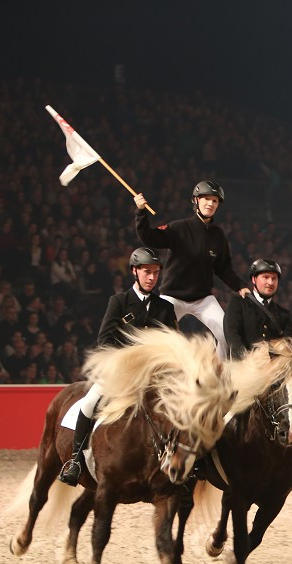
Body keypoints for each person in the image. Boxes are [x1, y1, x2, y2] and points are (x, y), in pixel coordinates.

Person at [58, 247, 179, 486]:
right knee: (90, 402)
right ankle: (75, 461)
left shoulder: (165, 308)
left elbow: (174, 344)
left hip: (153, 377)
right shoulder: (119, 302)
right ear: (135, 271)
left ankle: (184, 465)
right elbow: (105, 340)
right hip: (121, 373)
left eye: (155, 272)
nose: (152, 277)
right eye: (147, 272)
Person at [223, 258, 292, 487]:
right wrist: (251, 364)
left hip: (273, 379)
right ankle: (203, 461)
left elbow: (289, 347)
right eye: (265, 278)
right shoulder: (237, 305)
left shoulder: (283, 314)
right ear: (254, 280)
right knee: (218, 411)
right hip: (243, 372)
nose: (269, 282)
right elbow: (233, 338)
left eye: (274, 278)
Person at [134, 181, 249, 360]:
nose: (210, 204)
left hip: (203, 299)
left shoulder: (218, 235)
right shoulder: (179, 227)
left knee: (228, 335)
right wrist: (141, 212)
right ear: (196, 201)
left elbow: (223, 268)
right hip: (172, 297)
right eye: (206, 199)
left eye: (215, 201)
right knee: (154, 342)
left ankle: (220, 379)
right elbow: (148, 238)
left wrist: (241, 286)